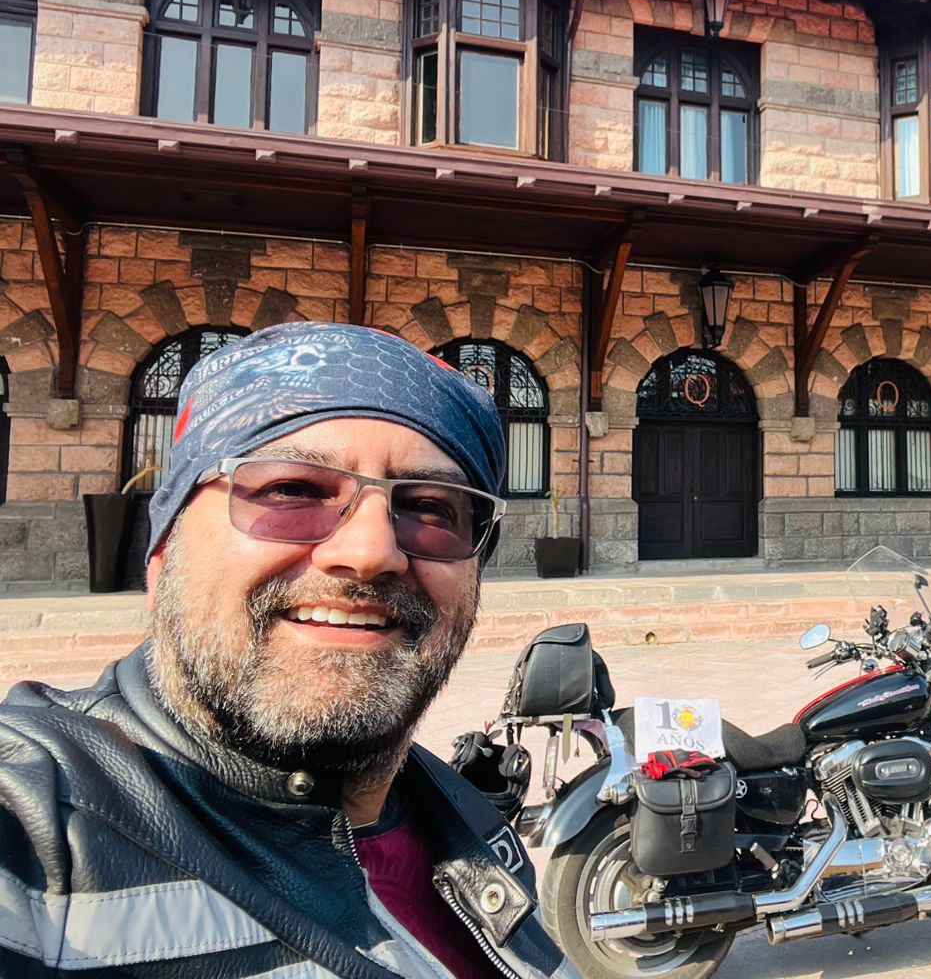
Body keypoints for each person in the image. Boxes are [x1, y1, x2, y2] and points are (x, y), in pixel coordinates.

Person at [0, 322, 575, 978]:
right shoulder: (40, 820)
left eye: (429, 507)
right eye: (292, 491)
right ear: (162, 553)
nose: (369, 552)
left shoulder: (473, 823)